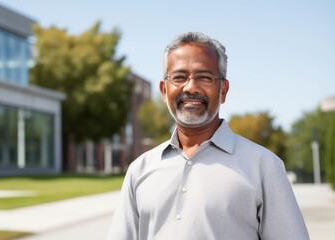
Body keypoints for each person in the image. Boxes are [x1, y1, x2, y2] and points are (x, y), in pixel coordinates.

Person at [108, 32, 309, 240]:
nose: (191, 87)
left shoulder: (264, 166)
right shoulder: (139, 170)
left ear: (223, 90)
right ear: (164, 91)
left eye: (204, 77)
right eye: (179, 77)